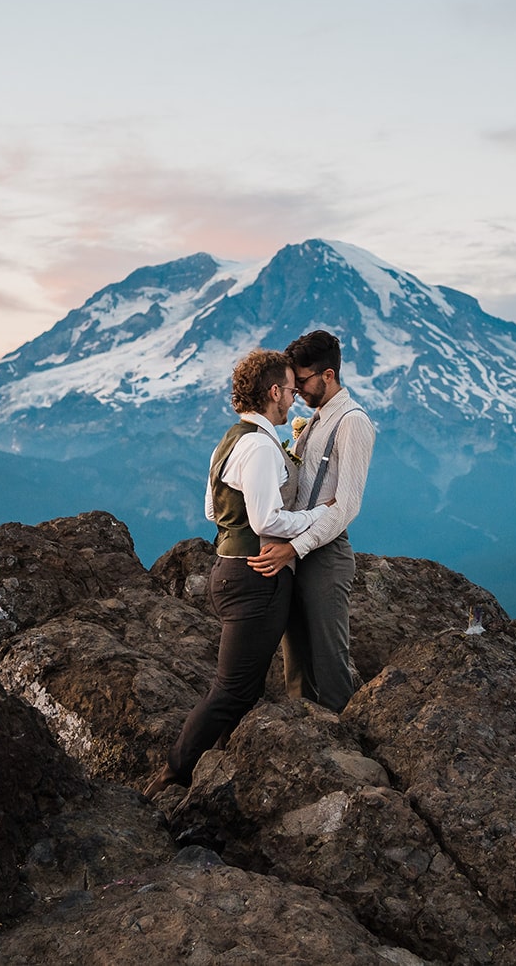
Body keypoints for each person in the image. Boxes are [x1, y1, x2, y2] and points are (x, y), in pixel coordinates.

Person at [144, 349, 328, 796]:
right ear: (272, 393)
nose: (293, 399)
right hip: (257, 578)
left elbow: (212, 510)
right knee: (232, 692)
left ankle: (214, 775)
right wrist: (316, 517)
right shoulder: (262, 446)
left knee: (241, 689)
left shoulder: (229, 440)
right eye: (288, 390)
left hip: (226, 571)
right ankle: (172, 776)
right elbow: (267, 521)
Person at [248, 329, 375, 713]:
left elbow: (347, 505)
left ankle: (344, 745)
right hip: (294, 550)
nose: (296, 390)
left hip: (324, 553)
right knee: (296, 659)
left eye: (301, 381)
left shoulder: (353, 423)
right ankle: (305, 734)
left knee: (329, 660)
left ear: (328, 376)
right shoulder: (315, 419)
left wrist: (294, 547)